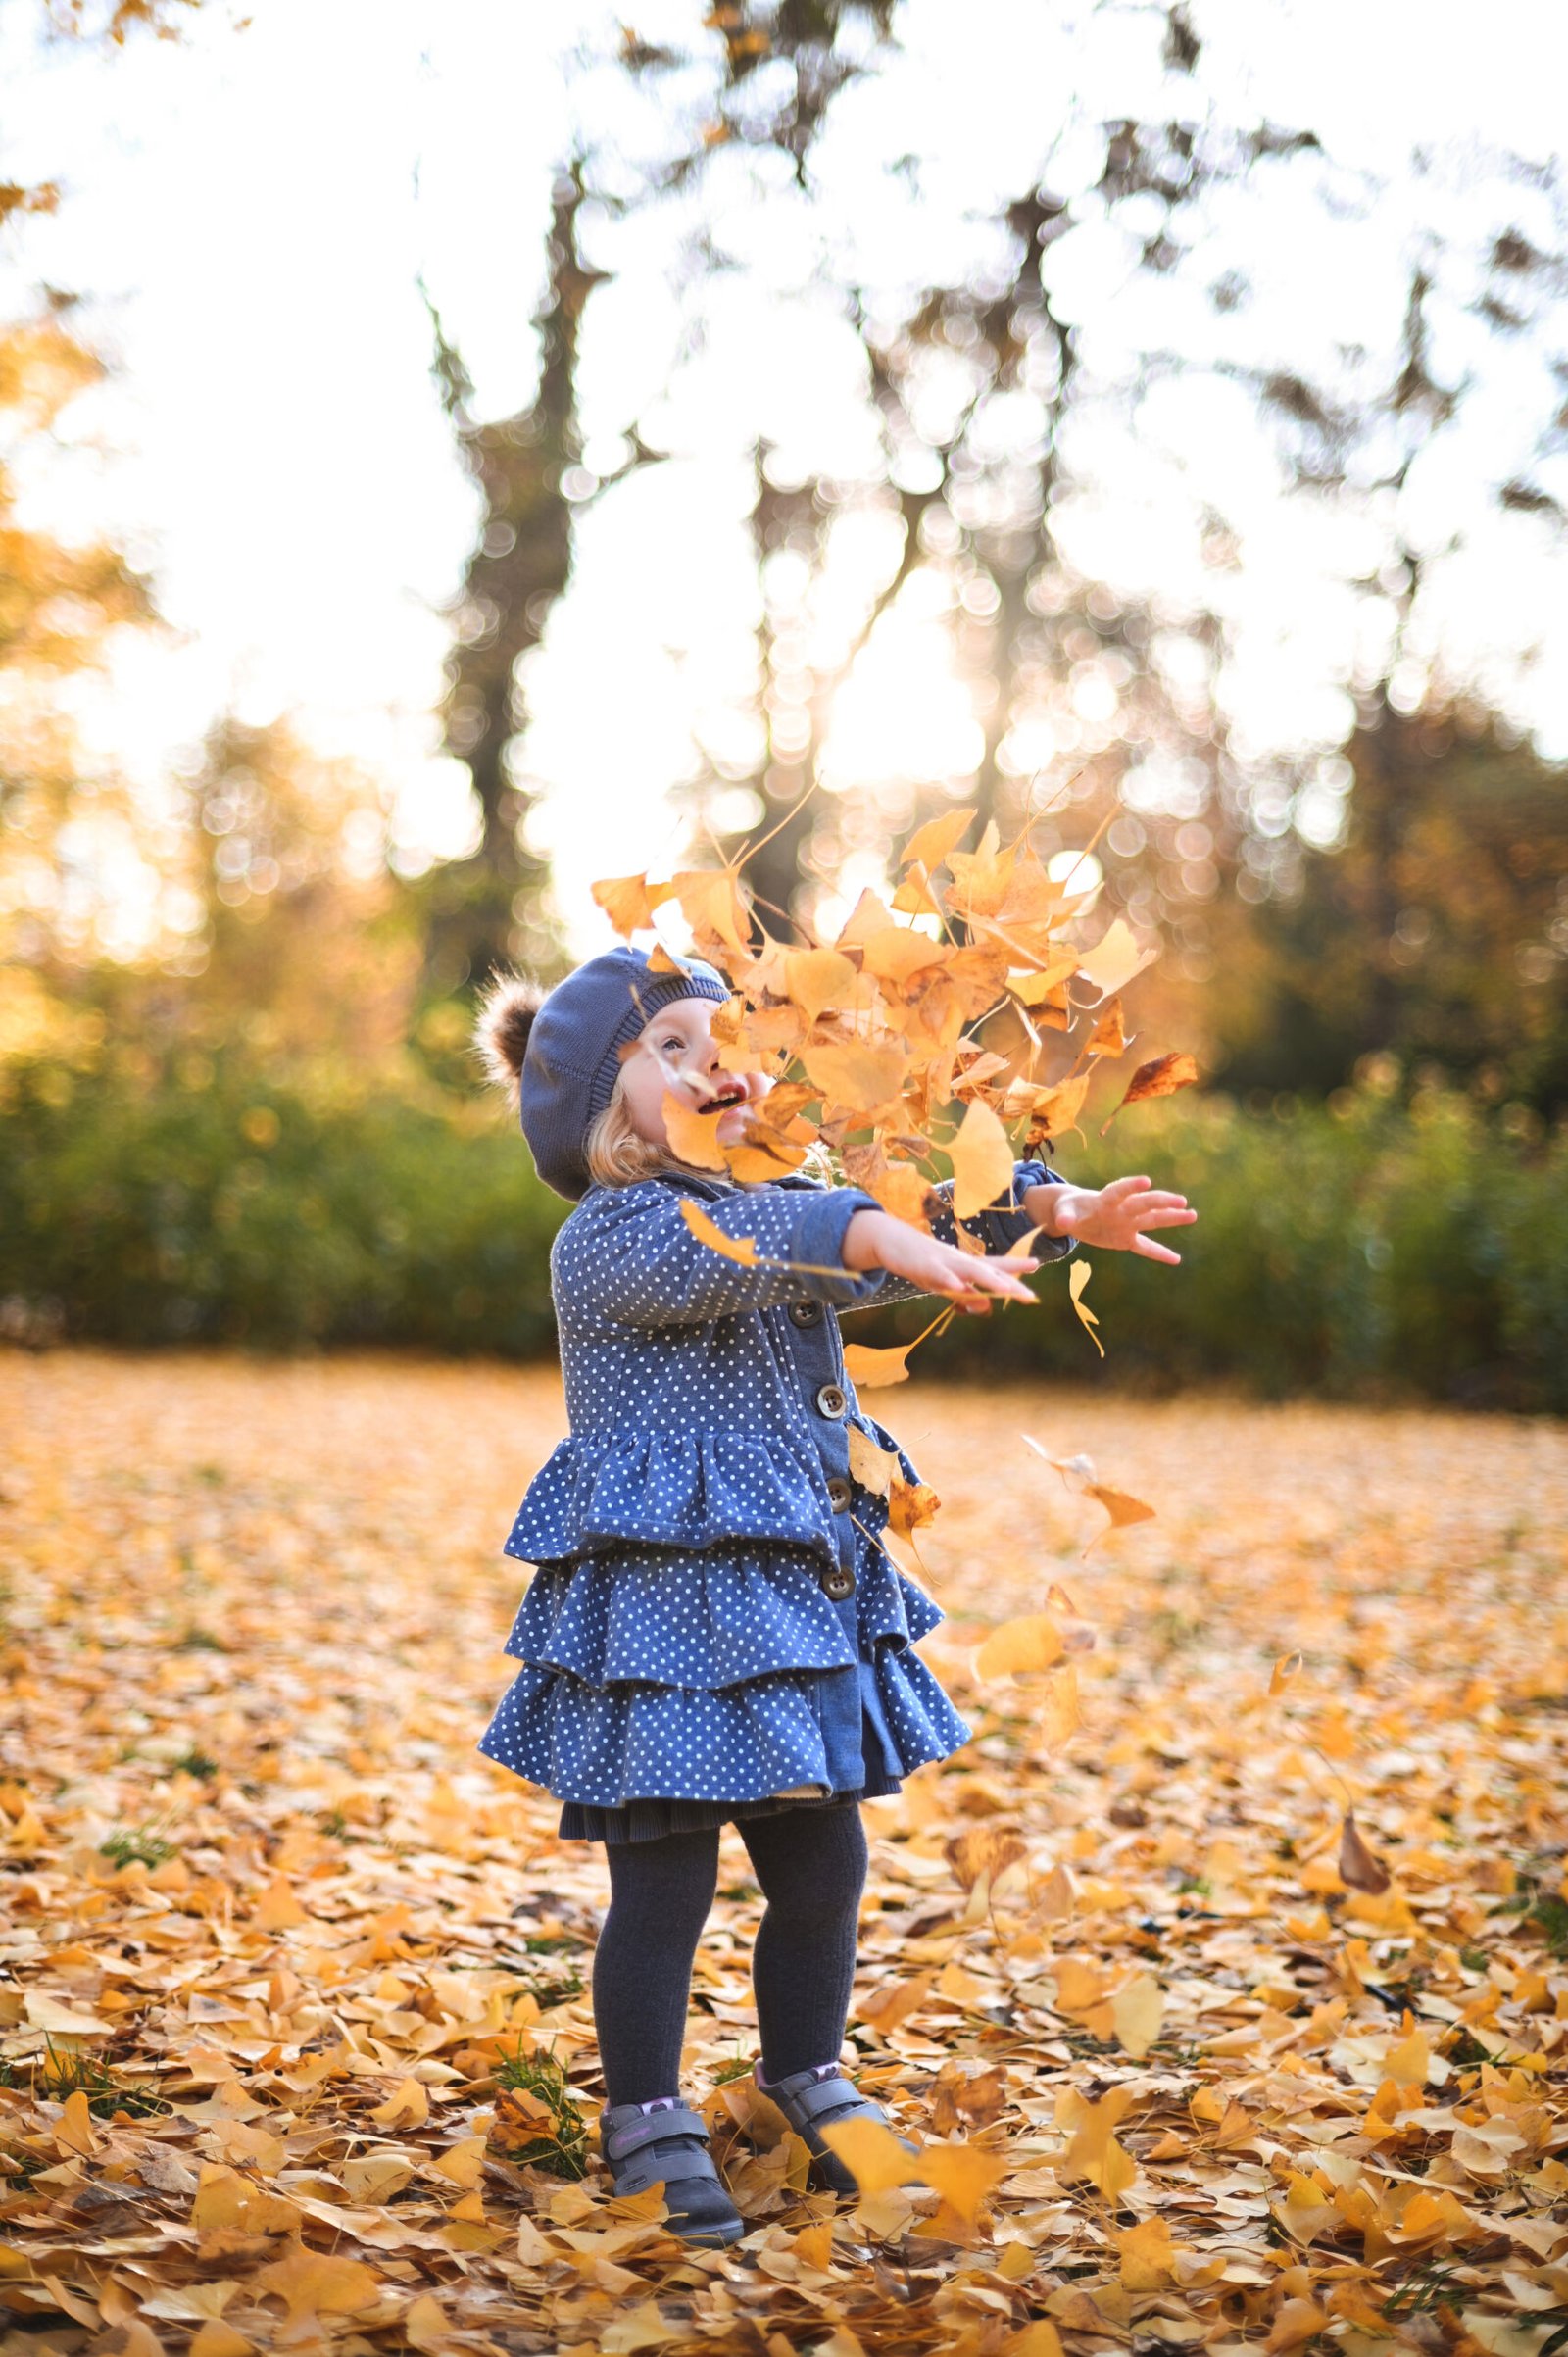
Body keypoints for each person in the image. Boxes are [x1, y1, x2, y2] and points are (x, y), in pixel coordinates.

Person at [474, 943, 1195, 2245]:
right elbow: (792, 1241)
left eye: (730, 1041)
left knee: (824, 1861)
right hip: (671, 1612)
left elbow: (883, 1229)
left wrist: (1050, 1207)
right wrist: (870, 1230)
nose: (716, 1063)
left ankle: (807, 2076)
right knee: (666, 1882)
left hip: (796, 1592)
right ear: (600, 1105)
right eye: (672, 1048)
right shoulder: (616, 1237)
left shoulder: (781, 1199)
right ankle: (645, 2113)